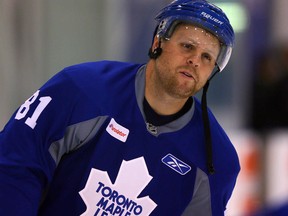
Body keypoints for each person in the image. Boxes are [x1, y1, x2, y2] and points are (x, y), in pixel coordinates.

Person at [0, 0, 240, 215]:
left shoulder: (217, 159)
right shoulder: (80, 90)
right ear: (158, 41)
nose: (195, 60)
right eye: (187, 46)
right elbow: (16, 166)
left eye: (207, 57)